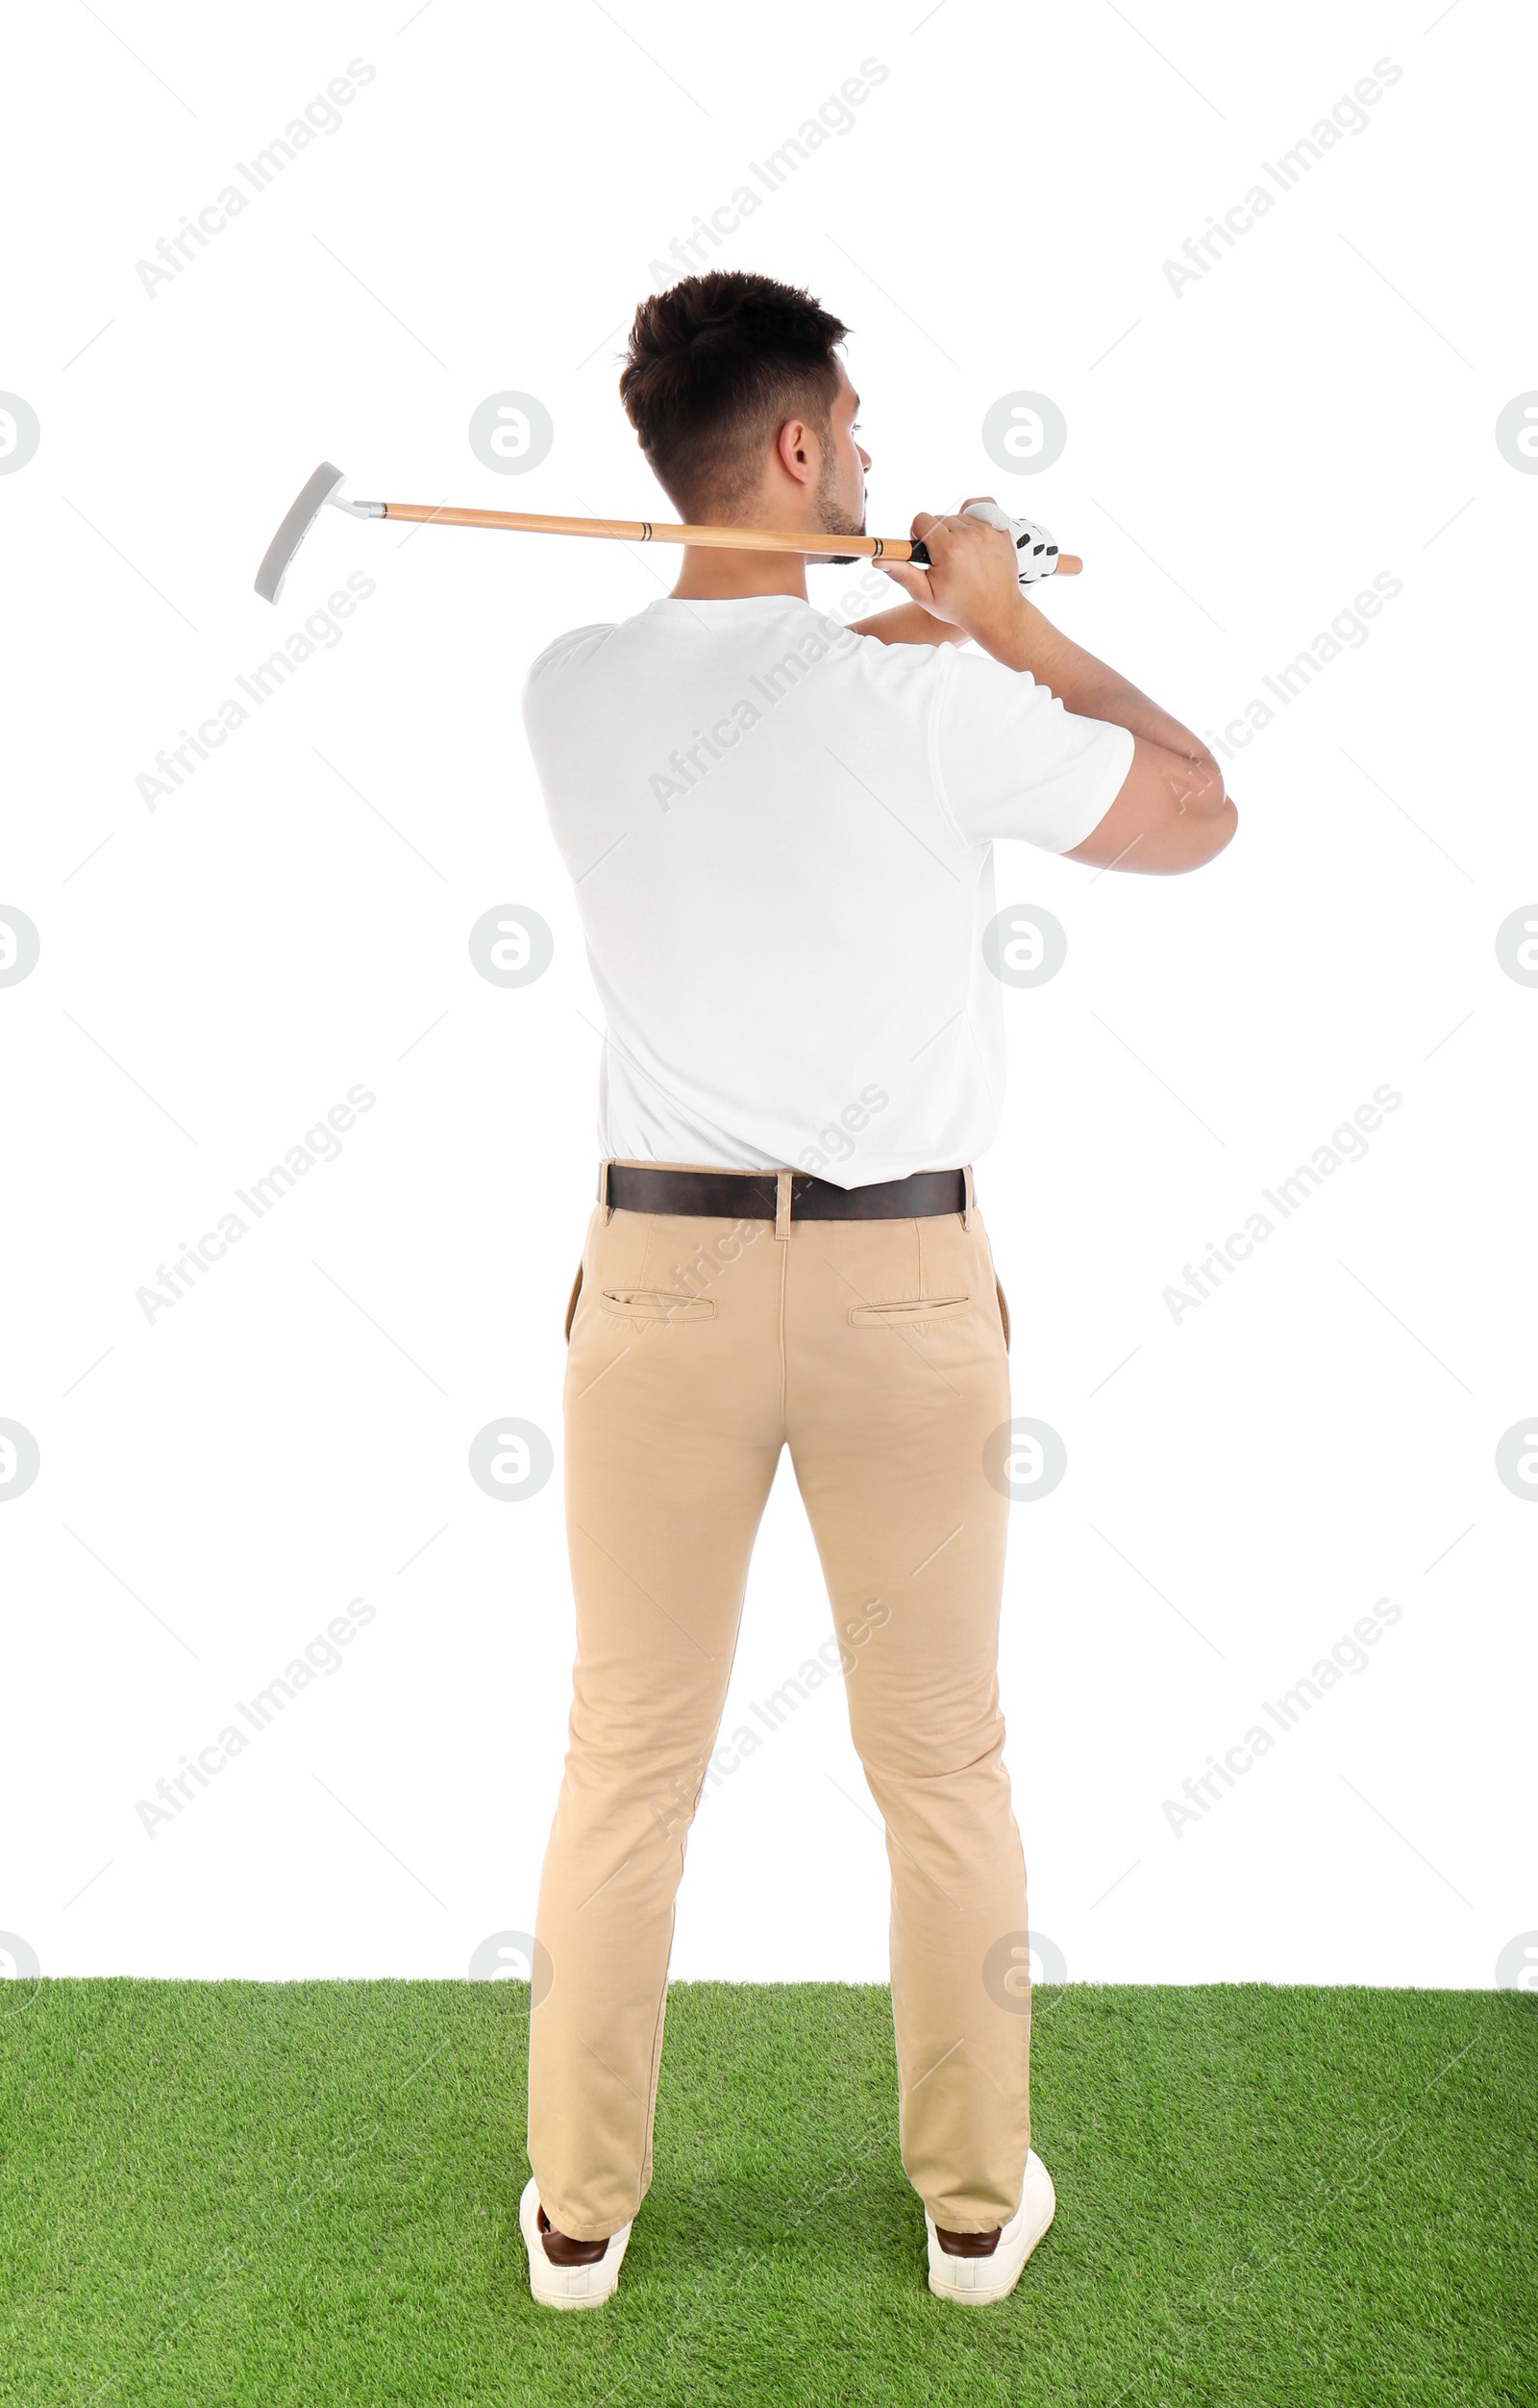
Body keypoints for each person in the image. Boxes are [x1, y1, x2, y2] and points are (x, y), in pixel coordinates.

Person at [516, 270, 1235, 2311]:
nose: (875, 459)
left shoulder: (569, 688)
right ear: (810, 449)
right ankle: (969, 2203)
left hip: (651, 1292)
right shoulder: (930, 705)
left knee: (621, 1751)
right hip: (901, 1291)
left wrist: (929, 620)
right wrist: (1014, 624)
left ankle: (576, 2217)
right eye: (858, 428)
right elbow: (1193, 802)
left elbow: (762, 688)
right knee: (940, 1757)